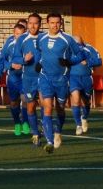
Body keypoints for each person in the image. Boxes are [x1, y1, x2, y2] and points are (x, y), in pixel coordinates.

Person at [35, 13, 86, 153]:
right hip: (45, 77)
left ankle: (58, 131)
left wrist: (70, 62)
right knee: (48, 108)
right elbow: (39, 53)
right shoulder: (41, 38)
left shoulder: (67, 39)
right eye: (52, 22)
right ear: (47, 23)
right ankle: (50, 141)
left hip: (62, 79)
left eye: (57, 22)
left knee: (61, 108)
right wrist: (38, 63)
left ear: (61, 23)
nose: (55, 25)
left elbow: (81, 55)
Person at [12, 13, 45, 147]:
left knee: (45, 104)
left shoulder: (44, 38)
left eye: (35, 23)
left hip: (43, 77)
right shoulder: (22, 39)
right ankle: (35, 134)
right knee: (30, 107)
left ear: (40, 24)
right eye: (30, 23)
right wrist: (24, 60)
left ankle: (46, 128)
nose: (32, 26)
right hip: (28, 78)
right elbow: (15, 58)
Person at [1, 23, 29, 136]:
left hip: (25, 77)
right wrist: (11, 65)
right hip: (13, 77)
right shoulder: (9, 43)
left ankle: (26, 122)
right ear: (14, 33)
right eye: (17, 34)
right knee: (14, 102)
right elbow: (1, 59)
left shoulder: (28, 43)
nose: (19, 36)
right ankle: (17, 123)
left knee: (25, 100)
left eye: (22, 34)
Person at [71, 35, 102, 134]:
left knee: (86, 102)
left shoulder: (90, 48)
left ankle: (84, 117)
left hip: (86, 78)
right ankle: (78, 125)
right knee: (75, 99)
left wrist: (88, 62)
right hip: (73, 78)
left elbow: (99, 61)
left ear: (82, 42)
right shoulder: (68, 49)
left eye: (78, 44)